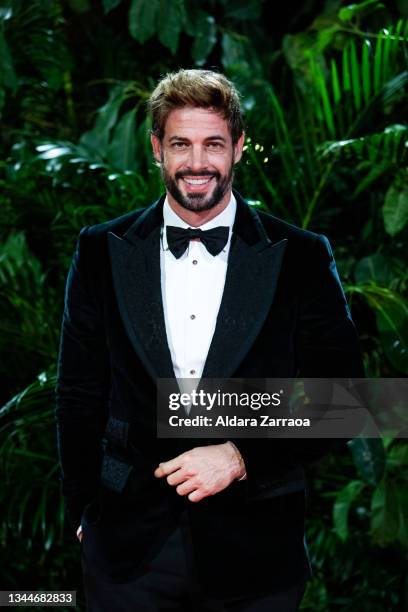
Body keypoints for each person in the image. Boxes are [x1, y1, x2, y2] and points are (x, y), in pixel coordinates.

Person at [55, 68, 365, 611]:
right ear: (157, 147)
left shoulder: (302, 256)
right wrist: (84, 515)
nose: (197, 163)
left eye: (213, 144)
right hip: (128, 550)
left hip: (257, 550)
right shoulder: (101, 250)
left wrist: (242, 454)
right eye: (181, 143)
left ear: (239, 147)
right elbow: (78, 393)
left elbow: (348, 400)